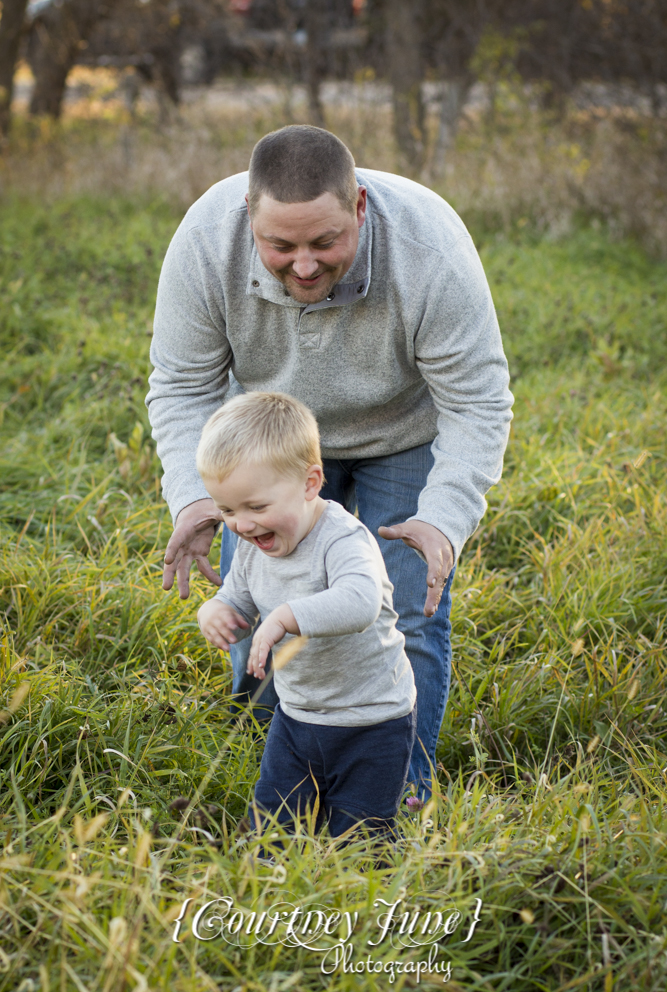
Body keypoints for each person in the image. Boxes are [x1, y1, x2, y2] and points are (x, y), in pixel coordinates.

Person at [147, 124, 513, 801]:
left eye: (325, 242)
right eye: (280, 246)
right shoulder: (205, 240)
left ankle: (396, 789)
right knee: (260, 606)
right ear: (247, 218)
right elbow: (181, 384)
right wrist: (195, 499)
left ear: (360, 209)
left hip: (398, 437)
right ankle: (279, 773)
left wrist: (442, 519)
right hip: (269, 440)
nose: (305, 265)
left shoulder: (430, 252)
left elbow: (479, 403)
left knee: (404, 613)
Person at [196, 391, 417, 839]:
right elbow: (237, 595)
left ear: (310, 483)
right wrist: (215, 609)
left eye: (256, 507)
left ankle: (355, 901)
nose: (241, 524)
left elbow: (360, 600)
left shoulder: (342, 539)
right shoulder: (252, 544)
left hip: (371, 721)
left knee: (359, 836)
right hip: (296, 717)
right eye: (226, 510)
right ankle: (268, 894)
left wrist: (284, 617)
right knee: (273, 829)